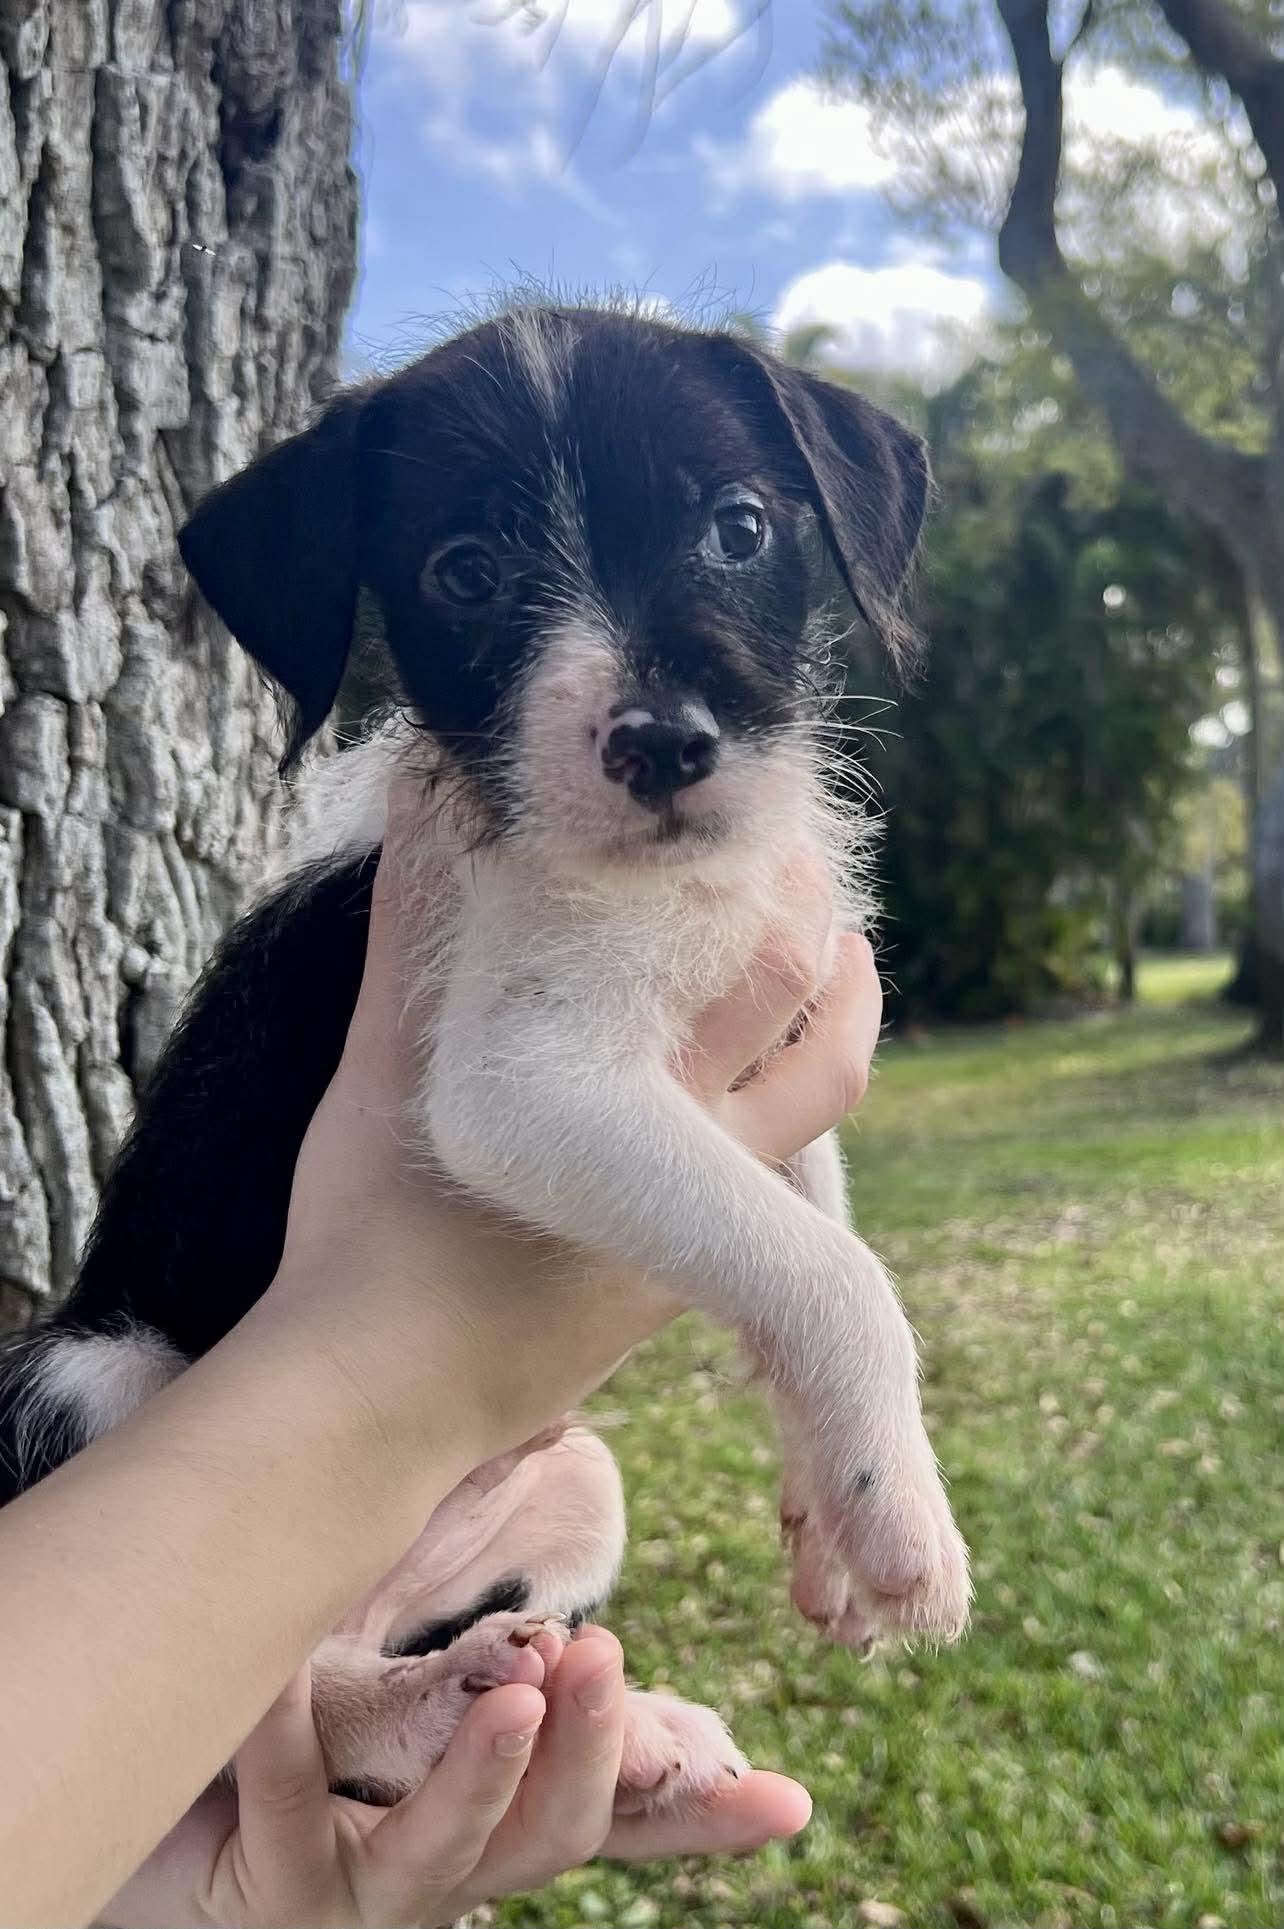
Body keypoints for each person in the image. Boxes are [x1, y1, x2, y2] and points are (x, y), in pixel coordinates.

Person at [0, 786, 884, 1929]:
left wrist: (833, 1418)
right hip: (174, 1366)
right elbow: (514, 1101)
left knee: (577, 1488)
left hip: (407, 1518)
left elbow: (761, 1107)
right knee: (83, 1385)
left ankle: (413, 1694)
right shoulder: (437, 859)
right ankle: (348, 1702)